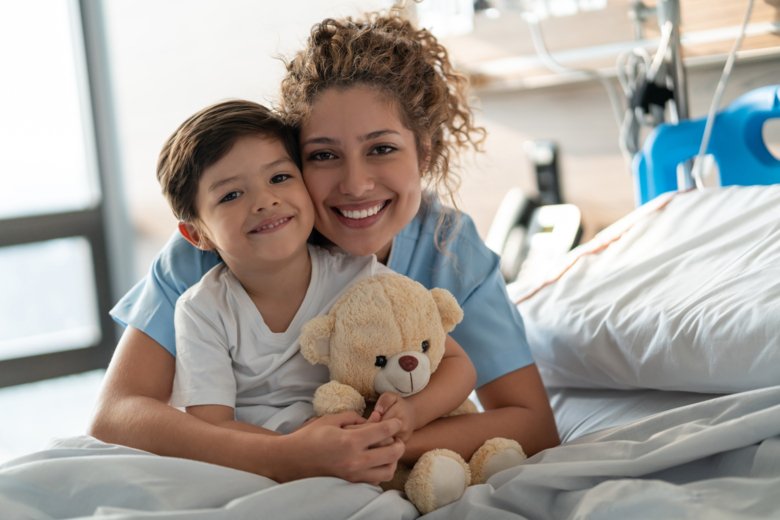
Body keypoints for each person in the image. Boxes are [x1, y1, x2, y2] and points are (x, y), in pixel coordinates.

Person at [89, 10, 559, 482]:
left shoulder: (449, 247)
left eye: (382, 148)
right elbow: (117, 414)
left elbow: (532, 424)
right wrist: (289, 455)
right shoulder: (220, 245)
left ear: (425, 152)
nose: (355, 184)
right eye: (324, 156)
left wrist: (363, 446)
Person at [159, 98, 475, 445]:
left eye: (279, 177)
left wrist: (413, 413)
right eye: (231, 195)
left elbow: (458, 365)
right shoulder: (203, 309)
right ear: (197, 234)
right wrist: (293, 452)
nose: (265, 201)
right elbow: (212, 426)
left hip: (350, 447)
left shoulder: (359, 278)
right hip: (260, 462)